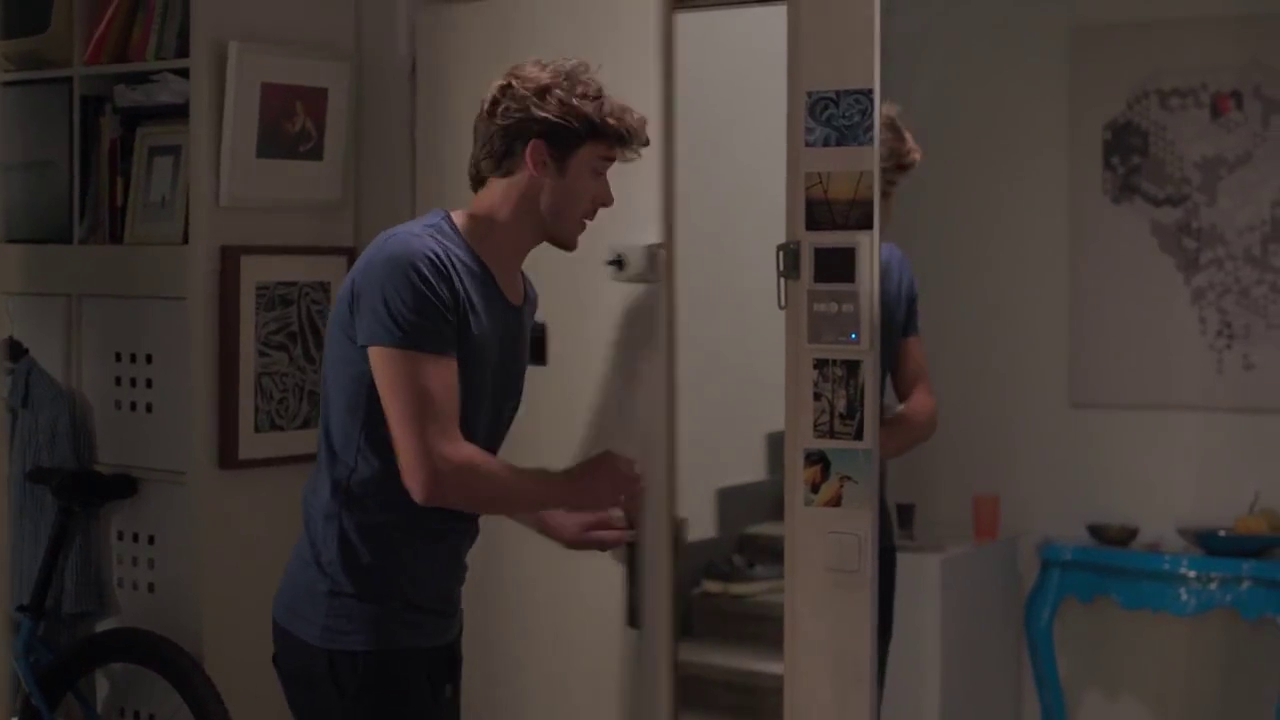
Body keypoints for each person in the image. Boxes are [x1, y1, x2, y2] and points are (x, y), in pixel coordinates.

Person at [269, 58, 651, 720]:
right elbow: (433, 471)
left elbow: (461, 461)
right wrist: (569, 485)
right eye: (598, 170)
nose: (607, 198)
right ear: (540, 160)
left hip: (428, 619)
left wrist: (545, 514)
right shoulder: (413, 266)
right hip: (353, 631)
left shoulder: (517, 294)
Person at [877, 102, 939, 701]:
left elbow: (921, 403)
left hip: (859, 509)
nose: (884, 210)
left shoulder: (890, 270)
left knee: (859, 688)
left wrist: (864, 452)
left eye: (890, 193)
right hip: (807, 512)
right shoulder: (797, 262)